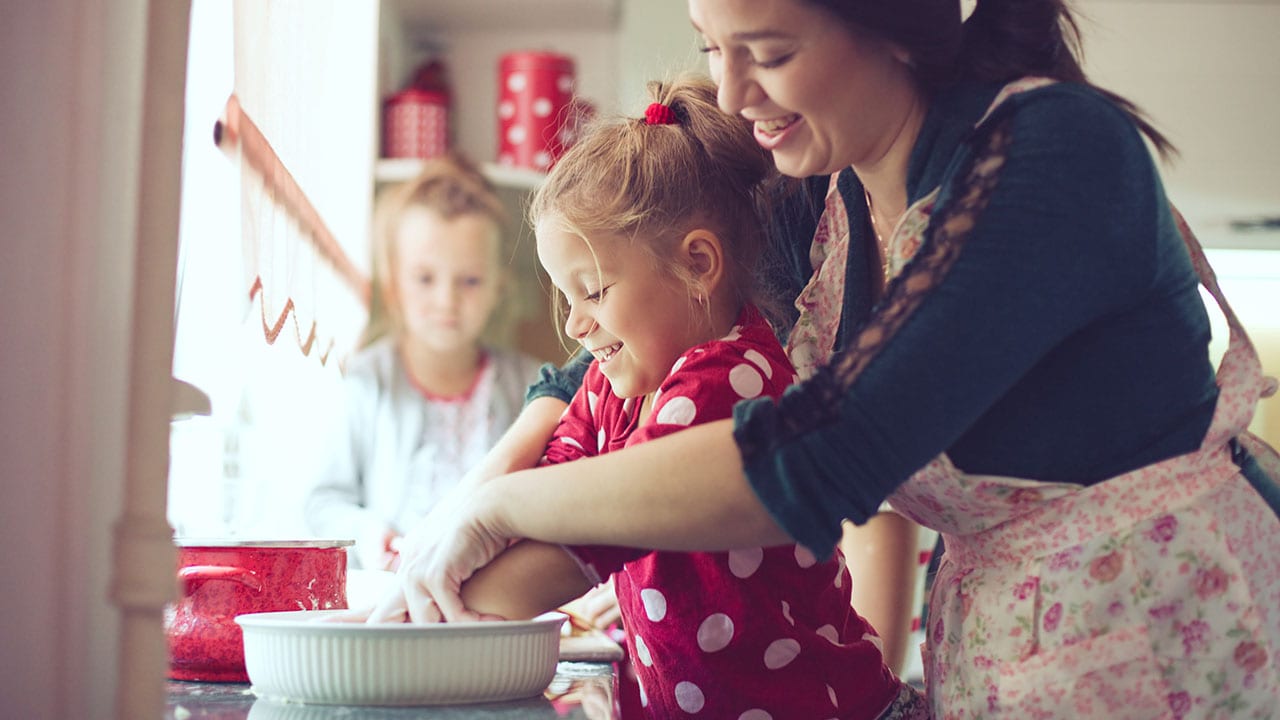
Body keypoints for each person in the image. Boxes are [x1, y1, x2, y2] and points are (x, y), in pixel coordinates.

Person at [378, 1, 1280, 716]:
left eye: (765, 53)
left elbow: (814, 457)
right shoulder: (823, 196)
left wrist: (499, 504)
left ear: (888, 29)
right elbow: (599, 366)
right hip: (1013, 653)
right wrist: (461, 519)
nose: (729, 94)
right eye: (712, 45)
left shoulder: (1051, 156)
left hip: (1175, 641)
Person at [377, 76, 926, 719]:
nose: (576, 327)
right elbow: (556, 472)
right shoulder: (619, 376)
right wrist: (444, 560)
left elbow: (586, 535)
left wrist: (411, 613)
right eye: (567, 296)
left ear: (698, 264)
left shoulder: (728, 380)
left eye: (595, 291)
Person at [304, 153, 541, 571]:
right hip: (392, 598)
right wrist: (373, 536)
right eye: (425, 279)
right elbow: (324, 500)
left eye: (469, 281)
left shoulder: (532, 387)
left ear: (497, 287)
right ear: (394, 283)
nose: (445, 301)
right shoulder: (367, 381)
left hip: (495, 600)